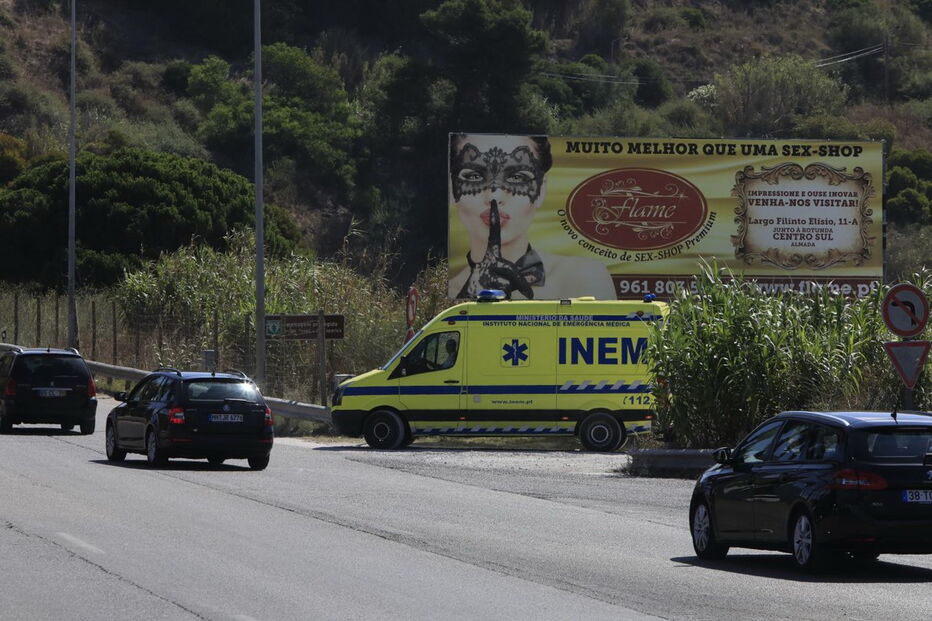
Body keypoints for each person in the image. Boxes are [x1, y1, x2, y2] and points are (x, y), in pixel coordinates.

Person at [448, 133, 615, 300]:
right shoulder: (452, 294)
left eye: (517, 177)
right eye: (474, 176)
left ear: (541, 190)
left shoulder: (583, 277)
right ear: (452, 188)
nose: (494, 197)